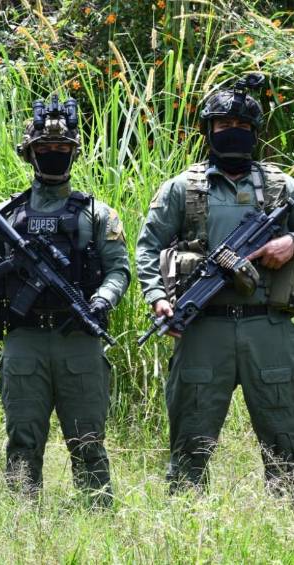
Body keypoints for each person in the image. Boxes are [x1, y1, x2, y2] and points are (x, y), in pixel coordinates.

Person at [0, 96, 130, 507]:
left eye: (62, 148)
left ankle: (96, 518)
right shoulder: (7, 214)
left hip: (79, 339)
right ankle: (23, 522)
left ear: (74, 152)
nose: (54, 153)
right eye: (45, 148)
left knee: (88, 441)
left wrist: (102, 300)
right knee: (22, 439)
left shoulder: (98, 214)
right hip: (25, 340)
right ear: (30, 153)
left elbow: (119, 270)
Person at [136, 75, 294, 494]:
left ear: (254, 133)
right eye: (224, 125)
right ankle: (188, 514)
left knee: (286, 433)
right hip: (204, 326)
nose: (232, 132)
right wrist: (157, 298)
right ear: (209, 130)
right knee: (191, 433)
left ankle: (285, 513)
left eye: (241, 126)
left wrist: (291, 243)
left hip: (269, 326)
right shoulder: (182, 188)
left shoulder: (281, 186)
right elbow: (148, 248)